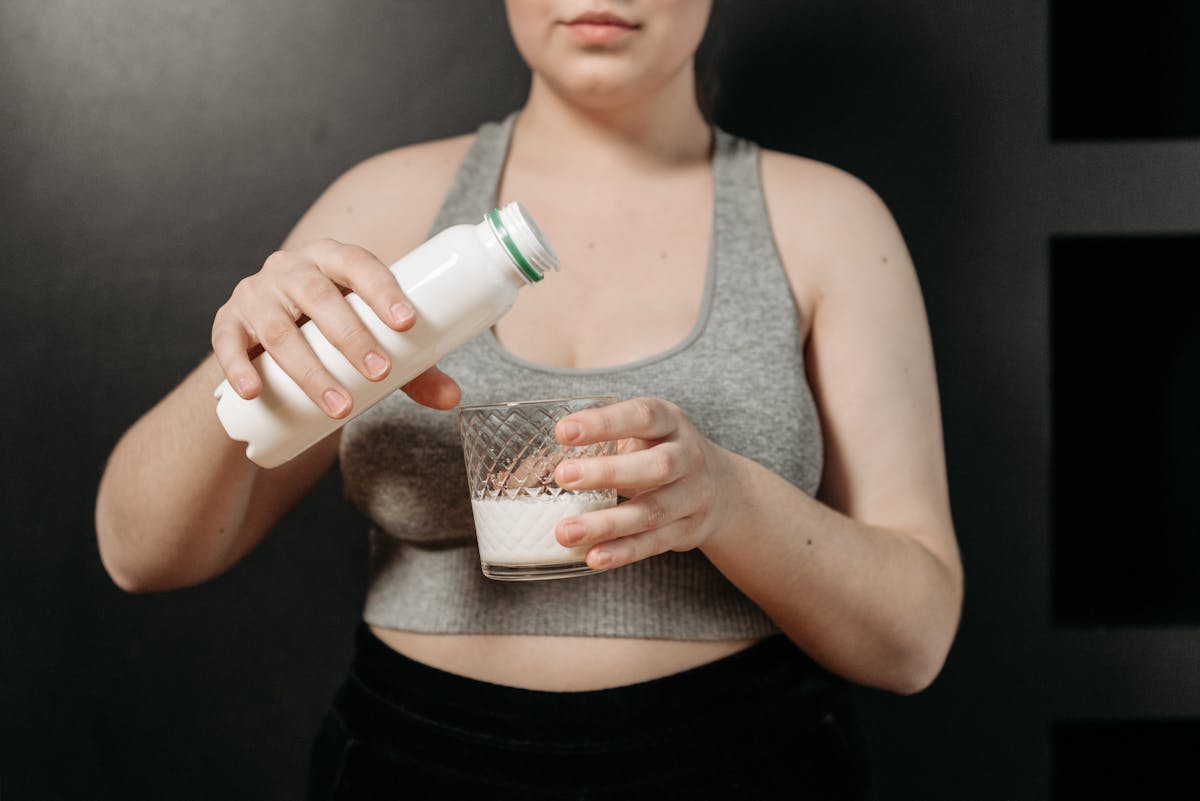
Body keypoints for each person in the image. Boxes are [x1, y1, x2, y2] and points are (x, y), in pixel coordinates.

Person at [95, 1, 963, 797]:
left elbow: (913, 641)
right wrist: (242, 362)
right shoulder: (386, 208)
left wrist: (728, 501)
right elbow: (141, 554)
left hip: (746, 758)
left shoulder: (827, 222)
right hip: (411, 759)